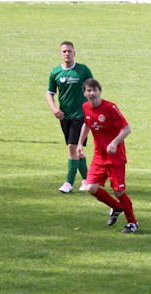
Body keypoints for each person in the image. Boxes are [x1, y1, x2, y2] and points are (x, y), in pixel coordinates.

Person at [76, 78, 138, 234]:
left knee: (119, 191)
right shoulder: (85, 107)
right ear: (84, 93)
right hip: (99, 155)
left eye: (94, 90)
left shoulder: (110, 107)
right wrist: (79, 144)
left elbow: (126, 129)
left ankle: (132, 223)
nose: (92, 93)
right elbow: (87, 124)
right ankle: (116, 207)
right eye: (88, 91)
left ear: (100, 91)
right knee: (91, 187)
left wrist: (114, 143)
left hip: (115, 156)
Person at [47, 41, 93, 194]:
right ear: (60, 54)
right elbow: (50, 93)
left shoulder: (83, 70)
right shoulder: (55, 73)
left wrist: (92, 108)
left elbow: (93, 88)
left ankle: (69, 182)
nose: (67, 54)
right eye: (64, 51)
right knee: (78, 150)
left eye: (69, 51)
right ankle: (87, 180)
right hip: (64, 116)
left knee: (72, 148)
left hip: (81, 116)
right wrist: (54, 109)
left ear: (74, 53)